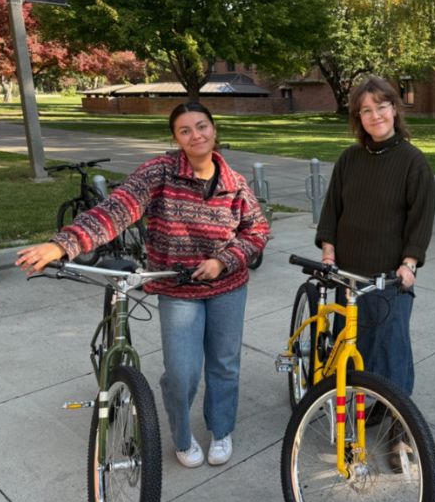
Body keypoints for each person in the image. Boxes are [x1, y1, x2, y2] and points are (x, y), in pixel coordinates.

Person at [16, 102, 270, 468]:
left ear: (214, 130)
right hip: (176, 289)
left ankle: (221, 429)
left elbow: (258, 230)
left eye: (201, 126)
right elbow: (116, 209)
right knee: (181, 373)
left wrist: (224, 261)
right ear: (176, 138)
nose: (196, 135)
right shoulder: (160, 172)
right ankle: (182, 437)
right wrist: (63, 244)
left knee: (225, 365)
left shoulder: (234, 183)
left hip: (228, 286)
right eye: (185, 130)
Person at [315, 75, 435, 454]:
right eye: (365, 110)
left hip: (389, 278)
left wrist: (410, 263)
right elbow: (333, 208)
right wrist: (329, 252)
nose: (374, 115)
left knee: (393, 354)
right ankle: (356, 413)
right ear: (358, 117)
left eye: (381, 107)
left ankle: (400, 432)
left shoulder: (413, 162)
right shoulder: (349, 159)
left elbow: (421, 217)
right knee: (352, 348)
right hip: (348, 274)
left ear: (394, 109)